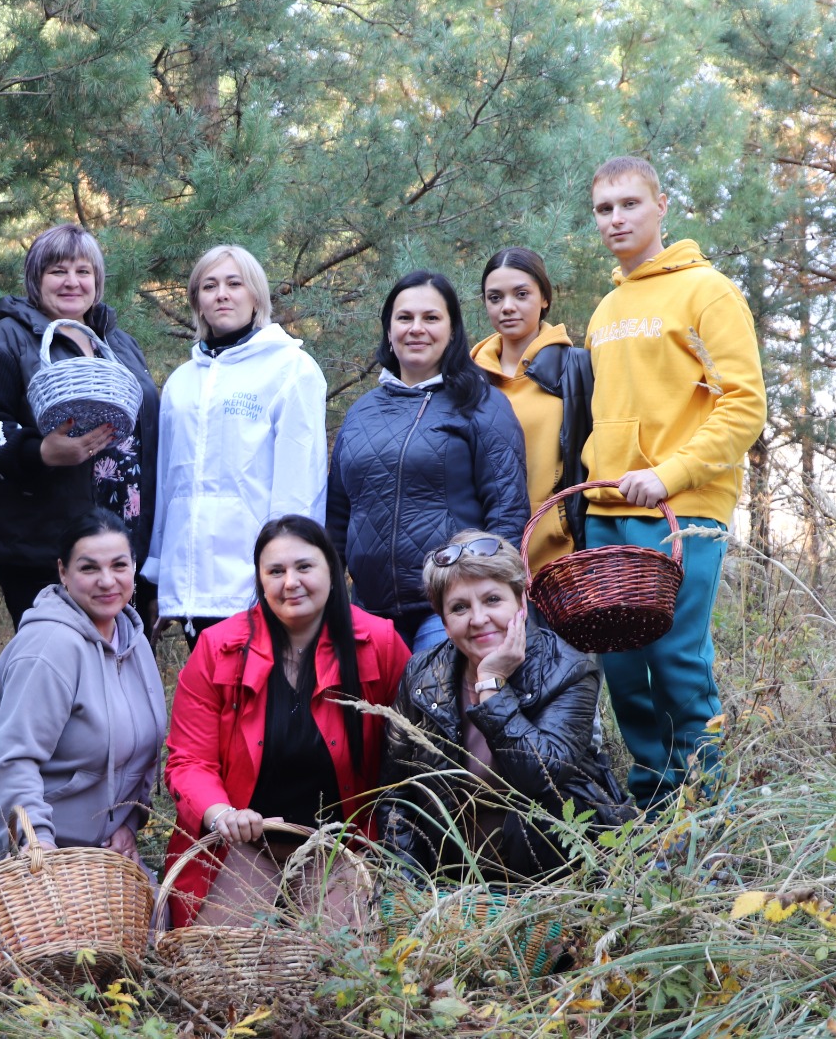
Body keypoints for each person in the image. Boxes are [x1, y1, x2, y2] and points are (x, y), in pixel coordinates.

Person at [582, 156, 766, 809]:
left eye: (629, 204)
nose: (616, 219)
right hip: (607, 510)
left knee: (677, 665)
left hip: (682, 508)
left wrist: (667, 475)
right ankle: (654, 813)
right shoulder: (606, 309)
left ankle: (704, 816)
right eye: (604, 209)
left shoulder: (705, 291)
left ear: (662, 205)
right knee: (625, 673)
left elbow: (742, 404)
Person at [162, 516, 410, 928]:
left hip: (341, 844)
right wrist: (224, 814)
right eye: (275, 571)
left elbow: (411, 752)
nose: (290, 582)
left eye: (304, 567)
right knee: (221, 967)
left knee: (341, 967)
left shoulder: (378, 642)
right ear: (260, 581)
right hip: (245, 841)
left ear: (333, 570)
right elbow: (189, 761)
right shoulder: (217, 648)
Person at [374, 531, 635, 881]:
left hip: (555, 867)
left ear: (521, 602)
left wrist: (492, 684)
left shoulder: (568, 668)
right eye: (459, 607)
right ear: (443, 619)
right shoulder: (422, 674)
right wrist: (409, 882)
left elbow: (542, 778)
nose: (478, 619)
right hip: (453, 875)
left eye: (493, 599)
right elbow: (396, 792)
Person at [0, 223, 160, 627]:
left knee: (123, 673)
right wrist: (39, 452)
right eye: (58, 271)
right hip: (47, 550)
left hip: (124, 548)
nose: (72, 282)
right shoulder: (8, 340)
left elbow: (147, 435)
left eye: (83, 271)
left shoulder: (119, 342)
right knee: (60, 671)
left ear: (97, 280)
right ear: (37, 279)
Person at [327, 271, 529, 653]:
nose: (416, 328)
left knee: (435, 710)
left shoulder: (482, 404)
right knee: (377, 714)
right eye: (404, 318)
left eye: (431, 318)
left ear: (452, 331)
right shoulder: (361, 413)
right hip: (368, 610)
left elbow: (507, 511)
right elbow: (337, 516)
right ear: (388, 330)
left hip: (450, 609)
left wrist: (489, 601)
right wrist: (333, 599)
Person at [0, 510, 166, 871]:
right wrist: (38, 846)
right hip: (27, 849)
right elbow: (13, 760)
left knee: (165, 924)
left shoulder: (134, 641)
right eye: (88, 568)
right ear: (63, 573)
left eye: (119, 565)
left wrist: (128, 824)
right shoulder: (48, 646)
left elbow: (143, 752)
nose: (106, 580)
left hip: (98, 848)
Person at [144, 245, 328, 648]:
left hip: (257, 585)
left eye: (234, 283)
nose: (222, 294)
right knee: (211, 707)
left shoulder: (290, 369)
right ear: (197, 302)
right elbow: (167, 486)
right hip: (192, 587)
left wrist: (286, 573)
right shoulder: (181, 382)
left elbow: (301, 481)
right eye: (209, 286)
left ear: (256, 296)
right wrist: (161, 576)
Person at [471, 248, 593, 571]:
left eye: (521, 294)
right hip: (483, 558)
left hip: (560, 558)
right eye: (495, 297)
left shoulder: (576, 368)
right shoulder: (468, 380)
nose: (507, 307)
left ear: (544, 298)